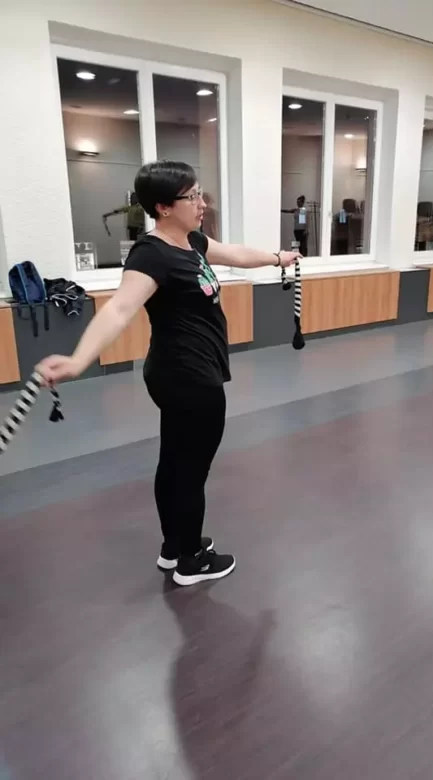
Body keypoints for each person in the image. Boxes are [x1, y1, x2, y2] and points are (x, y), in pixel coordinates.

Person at [36, 161, 302, 587]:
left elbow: (234, 253)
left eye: (200, 193)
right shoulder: (152, 254)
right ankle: (191, 560)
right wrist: (78, 360)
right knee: (191, 470)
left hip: (184, 371)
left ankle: (174, 546)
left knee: (175, 461)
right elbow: (120, 308)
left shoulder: (190, 240)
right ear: (163, 207)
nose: (201, 203)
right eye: (191, 196)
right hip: (187, 376)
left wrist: (278, 258)